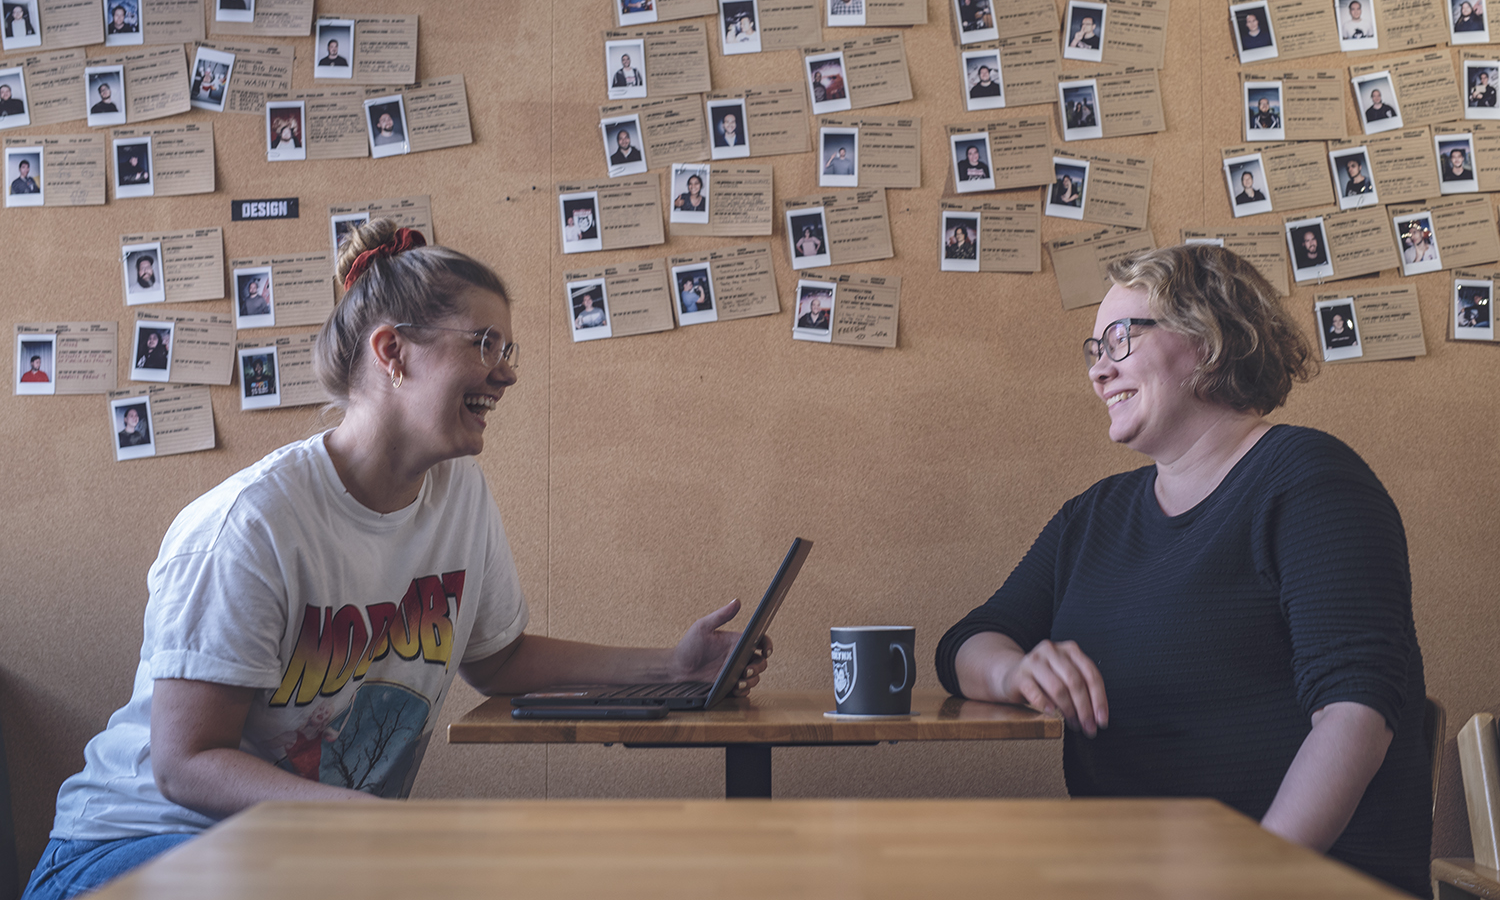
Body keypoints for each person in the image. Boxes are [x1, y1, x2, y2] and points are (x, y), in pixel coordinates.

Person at [27, 221, 773, 900]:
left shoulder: (459, 497)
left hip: (310, 857)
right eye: (484, 343)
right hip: (135, 849)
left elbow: (499, 657)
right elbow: (185, 761)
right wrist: (372, 826)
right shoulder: (251, 526)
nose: (506, 372)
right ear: (393, 352)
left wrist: (672, 667)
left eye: (507, 349)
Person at [936, 244, 1429, 897]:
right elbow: (967, 641)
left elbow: (1355, 716)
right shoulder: (1095, 516)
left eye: (1119, 339)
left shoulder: (1311, 481)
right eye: (1093, 350)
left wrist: (1245, 879)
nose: (1099, 371)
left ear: (1208, 338)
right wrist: (1015, 669)